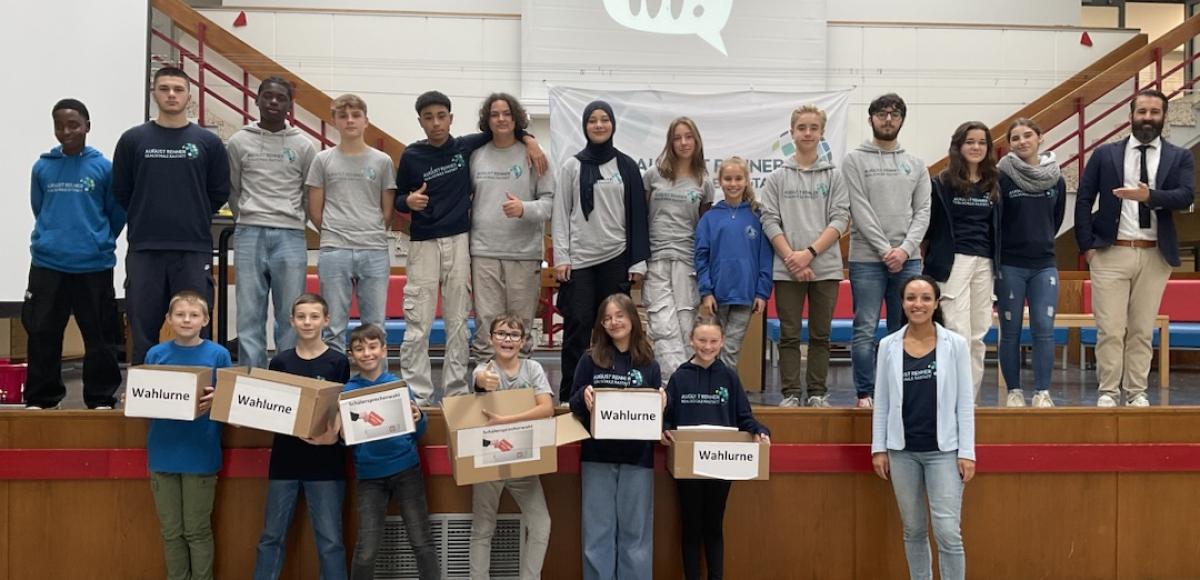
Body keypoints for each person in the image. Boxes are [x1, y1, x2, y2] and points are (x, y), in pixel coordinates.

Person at [396, 90, 546, 405]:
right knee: (419, 324)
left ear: (451, 119)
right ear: (420, 121)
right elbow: (397, 196)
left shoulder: (465, 147)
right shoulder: (415, 155)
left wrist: (529, 138)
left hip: (464, 242)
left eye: (441, 116)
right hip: (432, 244)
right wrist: (407, 202)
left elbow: (507, 127)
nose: (436, 123)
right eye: (428, 117)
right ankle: (417, 396)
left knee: (457, 323)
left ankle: (457, 393)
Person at [1075, 89, 1195, 407]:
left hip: (1156, 254)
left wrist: (1150, 197)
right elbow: (1084, 199)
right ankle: (1108, 391)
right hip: (1111, 252)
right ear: (1130, 115)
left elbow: (1185, 196)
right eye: (1142, 111)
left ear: (1164, 117)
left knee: (1142, 329)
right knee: (1110, 328)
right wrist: (1087, 246)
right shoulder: (1105, 154)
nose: (1147, 118)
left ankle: (1136, 391)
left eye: (1154, 112)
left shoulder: (1179, 156)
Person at [113, 66, 230, 365]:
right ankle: (141, 391)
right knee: (142, 327)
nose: (171, 95)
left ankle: (199, 390)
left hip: (193, 248)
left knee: (194, 326)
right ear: (154, 94)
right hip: (145, 248)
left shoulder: (208, 142)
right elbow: (122, 190)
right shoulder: (133, 139)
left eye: (178, 89)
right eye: (164, 89)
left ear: (189, 97)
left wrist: (191, 213)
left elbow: (218, 192)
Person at [871, 275, 975, 580]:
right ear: (902, 304)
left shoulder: (955, 345)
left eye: (926, 298)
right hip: (902, 452)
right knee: (913, 529)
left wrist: (966, 452)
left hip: (944, 452)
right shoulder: (888, 345)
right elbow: (883, 401)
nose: (918, 304)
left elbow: (965, 403)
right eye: (911, 298)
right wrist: (879, 448)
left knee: (947, 532)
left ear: (936, 303)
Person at [23, 98, 124, 410]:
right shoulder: (42, 167)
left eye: (73, 124)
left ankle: (100, 396)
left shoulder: (104, 167)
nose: (66, 131)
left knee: (100, 335)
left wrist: (97, 240)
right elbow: (40, 209)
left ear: (87, 127)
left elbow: (116, 213)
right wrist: (54, 238)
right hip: (47, 263)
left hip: (93, 264)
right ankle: (42, 397)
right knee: (41, 331)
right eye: (60, 125)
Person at [553, 101, 651, 402]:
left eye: (604, 120)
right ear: (585, 126)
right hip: (580, 261)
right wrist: (562, 257)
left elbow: (637, 216)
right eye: (592, 120)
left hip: (616, 257)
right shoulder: (572, 166)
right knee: (578, 327)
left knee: (615, 328)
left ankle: (614, 390)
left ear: (612, 125)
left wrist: (637, 261)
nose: (598, 125)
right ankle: (572, 395)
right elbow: (560, 212)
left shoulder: (626, 166)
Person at [663, 315, 770, 580]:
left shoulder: (729, 378)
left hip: (721, 462)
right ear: (691, 341)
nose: (707, 346)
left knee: (713, 526)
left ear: (722, 342)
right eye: (701, 340)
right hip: (687, 464)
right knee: (690, 526)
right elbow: (668, 417)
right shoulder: (679, 378)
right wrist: (663, 429)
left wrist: (760, 430)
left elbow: (744, 416)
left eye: (713, 341)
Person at [253, 293, 349, 580]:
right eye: (302, 317)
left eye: (314, 316)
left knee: (331, 542)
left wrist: (334, 438)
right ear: (291, 321)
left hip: (326, 464)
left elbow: (343, 409)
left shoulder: (338, 362)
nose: (308, 322)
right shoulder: (280, 362)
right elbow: (272, 410)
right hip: (285, 462)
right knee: (271, 537)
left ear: (326, 320)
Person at [760, 105, 851, 408]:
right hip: (787, 269)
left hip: (824, 268)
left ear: (822, 132)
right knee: (788, 334)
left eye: (814, 127)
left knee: (820, 335)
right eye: (802, 127)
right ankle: (789, 394)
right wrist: (792, 259)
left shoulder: (835, 176)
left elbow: (840, 219)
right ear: (792, 131)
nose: (808, 133)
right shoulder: (776, 178)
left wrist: (808, 254)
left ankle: (816, 393)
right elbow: (769, 220)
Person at [845, 93, 931, 408]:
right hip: (867, 259)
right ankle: (865, 393)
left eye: (895, 114)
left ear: (902, 120)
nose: (888, 119)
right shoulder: (854, 160)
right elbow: (859, 208)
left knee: (905, 328)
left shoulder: (916, 164)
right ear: (871, 119)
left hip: (908, 261)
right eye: (881, 114)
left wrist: (905, 250)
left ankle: (898, 390)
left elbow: (923, 212)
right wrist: (886, 250)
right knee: (865, 327)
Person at [568, 294, 662, 580]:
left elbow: (657, 416)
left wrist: (663, 405)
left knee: (637, 538)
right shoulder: (589, 359)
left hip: (638, 459)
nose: (613, 322)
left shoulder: (648, 363)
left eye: (619, 315)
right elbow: (573, 404)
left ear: (632, 318)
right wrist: (582, 398)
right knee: (597, 537)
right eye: (607, 318)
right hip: (597, 457)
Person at [227, 76, 316, 369]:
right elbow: (234, 188)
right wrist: (248, 217)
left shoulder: (303, 145)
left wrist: (293, 218)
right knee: (249, 315)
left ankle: (287, 379)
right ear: (257, 100)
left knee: (291, 315)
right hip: (249, 233)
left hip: (290, 235)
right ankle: (252, 382)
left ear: (290, 105)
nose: (274, 102)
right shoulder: (239, 141)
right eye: (268, 96)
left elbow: (307, 191)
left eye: (281, 98)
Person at [143, 291, 232, 580]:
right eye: (180, 314)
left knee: (196, 530)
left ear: (205, 320)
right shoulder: (155, 355)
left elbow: (230, 401)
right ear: (169, 319)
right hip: (163, 453)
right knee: (171, 532)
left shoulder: (218, 354)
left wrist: (218, 397)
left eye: (194, 315)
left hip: (201, 453)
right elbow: (145, 397)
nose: (186, 320)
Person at [341, 324, 438, 580]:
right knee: (366, 550)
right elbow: (346, 440)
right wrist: (342, 433)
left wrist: (419, 417)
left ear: (384, 350)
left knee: (421, 542)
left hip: (406, 470)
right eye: (360, 349)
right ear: (351, 354)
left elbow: (417, 430)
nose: (367, 353)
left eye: (373, 347)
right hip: (369, 476)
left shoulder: (398, 385)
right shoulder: (347, 392)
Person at [468, 93, 555, 362]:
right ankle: (487, 392)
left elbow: (549, 204)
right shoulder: (476, 156)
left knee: (519, 328)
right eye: (494, 114)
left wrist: (524, 209)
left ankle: (521, 392)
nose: (501, 119)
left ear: (516, 118)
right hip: (484, 253)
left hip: (524, 253)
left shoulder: (536, 156)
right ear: (487, 120)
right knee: (487, 328)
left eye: (506, 113)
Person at [307, 94, 396, 354]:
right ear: (333, 120)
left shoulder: (382, 161)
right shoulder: (322, 160)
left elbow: (387, 212)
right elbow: (315, 210)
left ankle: (374, 389)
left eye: (355, 115)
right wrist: (337, 232)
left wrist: (368, 230)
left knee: (375, 325)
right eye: (343, 116)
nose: (349, 121)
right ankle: (334, 388)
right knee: (333, 326)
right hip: (335, 249)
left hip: (374, 250)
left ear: (366, 121)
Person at [468, 313, 554, 580]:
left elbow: (547, 408)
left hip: (524, 461)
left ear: (523, 341)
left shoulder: (533, 369)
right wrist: (483, 382)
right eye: (501, 334)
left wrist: (508, 419)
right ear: (491, 339)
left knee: (542, 524)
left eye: (514, 335)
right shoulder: (483, 370)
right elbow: (482, 382)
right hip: (489, 461)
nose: (507, 339)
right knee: (482, 528)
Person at [924, 121, 999, 401]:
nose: (976, 147)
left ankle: (970, 400)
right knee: (955, 333)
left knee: (978, 334)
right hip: (953, 262)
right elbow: (930, 225)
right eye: (970, 142)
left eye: (982, 142)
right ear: (959, 146)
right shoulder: (942, 182)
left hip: (985, 263)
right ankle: (949, 399)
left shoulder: (995, 182)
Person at [996, 118, 1066, 408]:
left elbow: (1057, 220)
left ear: (1040, 137)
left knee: (1043, 327)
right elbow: (997, 221)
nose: (1022, 141)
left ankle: (1042, 392)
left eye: (1027, 136)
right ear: (1009, 144)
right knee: (1010, 330)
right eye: (1015, 138)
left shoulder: (1056, 179)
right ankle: (1014, 391)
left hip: (1044, 265)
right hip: (1010, 264)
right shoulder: (1002, 177)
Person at [642, 117, 715, 381]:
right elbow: (640, 221)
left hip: (688, 263)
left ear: (696, 141)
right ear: (670, 142)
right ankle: (668, 385)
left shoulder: (704, 182)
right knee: (662, 326)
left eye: (688, 137)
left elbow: (704, 230)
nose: (683, 143)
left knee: (685, 327)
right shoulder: (653, 176)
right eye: (677, 137)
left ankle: (687, 384)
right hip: (657, 260)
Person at [694, 156, 772, 368]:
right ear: (720, 181)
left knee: (731, 348)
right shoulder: (710, 218)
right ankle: (711, 393)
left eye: (738, 178)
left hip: (745, 296)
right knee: (711, 347)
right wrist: (706, 292)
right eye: (728, 178)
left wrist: (762, 292)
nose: (733, 183)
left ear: (747, 180)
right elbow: (701, 257)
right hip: (717, 297)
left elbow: (765, 258)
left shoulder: (758, 216)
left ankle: (724, 393)